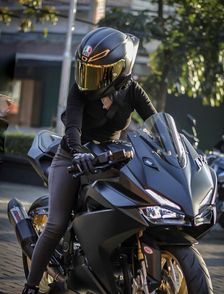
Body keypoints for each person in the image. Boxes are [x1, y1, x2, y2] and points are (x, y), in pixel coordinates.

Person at [22, 27, 157, 294]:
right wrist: (78, 151)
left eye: (97, 71)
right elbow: (72, 128)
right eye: (85, 70)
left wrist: (168, 145)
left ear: (120, 69)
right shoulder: (79, 92)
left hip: (112, 157)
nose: (88, 79)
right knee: (56, 224)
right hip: (73, 155)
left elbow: (155, 122)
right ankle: (30, 286)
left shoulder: (133, 91)